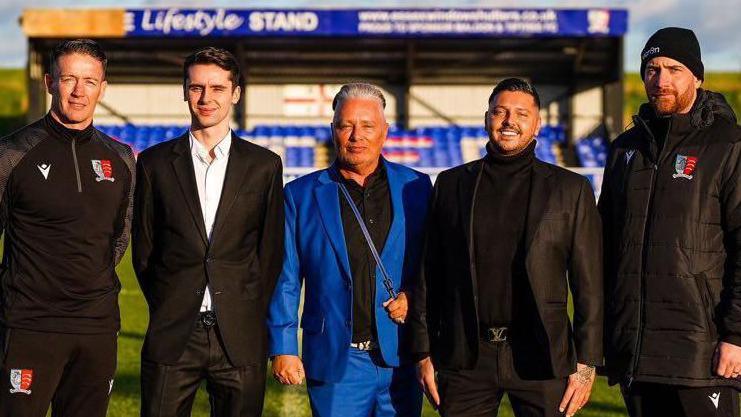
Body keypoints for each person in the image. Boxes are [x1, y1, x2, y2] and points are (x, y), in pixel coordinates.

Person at [409, 78, 603, 417]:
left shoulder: (570, 189)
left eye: (521, 113)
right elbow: (430, 275)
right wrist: (423, 352)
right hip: (466, 359)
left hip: (542, 356)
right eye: (500, 112)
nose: (509, 121)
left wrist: (586, 362)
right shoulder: (451, 184)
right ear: (487, 119)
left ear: (537, 123)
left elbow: (590, 285)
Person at [132, 47, 284, 417]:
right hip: (173, 334)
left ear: (235, 93)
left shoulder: (264, 165)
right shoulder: (153, 163)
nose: (206, 98)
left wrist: (243, 306)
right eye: (196, 87)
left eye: (217, 88)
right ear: (184, 91)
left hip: (239, 336)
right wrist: (172, 302)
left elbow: (270, 253)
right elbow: (145, 251)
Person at [600, 27, 741, 417]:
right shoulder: (625, 150)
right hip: (635, 350)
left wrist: (736, 335)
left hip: (702, 350)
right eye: (652, 69)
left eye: (674, 69)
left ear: (697, 76)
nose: (661, 80)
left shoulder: (729, 145)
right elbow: (605, 247)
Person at [267, 82, 431, 417]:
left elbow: (434, 264)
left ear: (384, 131)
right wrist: (283, 347)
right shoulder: (300, 195)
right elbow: (284, 278)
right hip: (336, 359)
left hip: (401, 354)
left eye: (368, 126)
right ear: (333, 130)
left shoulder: (417, 187)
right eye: (346, 125)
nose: (356, 135)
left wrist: (413, 295)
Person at [0, 39, 135, 417]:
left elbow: (119, 237)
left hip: (96, 326)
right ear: (49, 82)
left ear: (103, 87)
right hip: (29, 325)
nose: (79, 91)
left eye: (90, 81)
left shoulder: (121, 158)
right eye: (69, 79)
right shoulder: (12, 154)